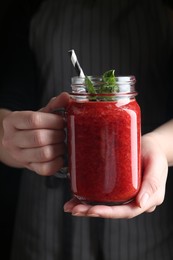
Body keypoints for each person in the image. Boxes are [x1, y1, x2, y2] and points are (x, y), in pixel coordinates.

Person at [0, 0, 173, 259]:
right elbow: (7, 96)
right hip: (45, 216)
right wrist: (9, 137)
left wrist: (161, 145)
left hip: (144, 215)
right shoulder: (29, 7)